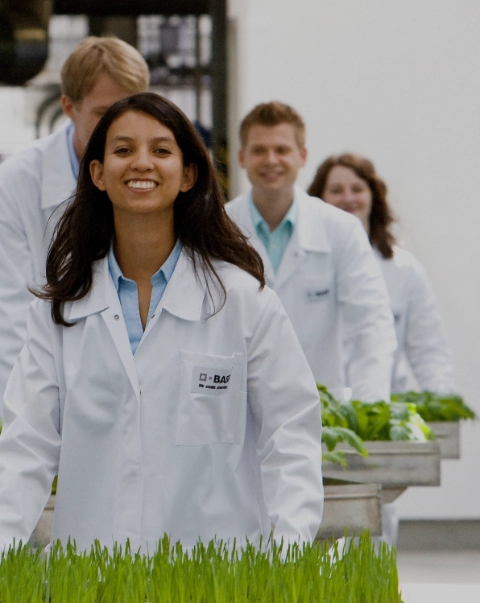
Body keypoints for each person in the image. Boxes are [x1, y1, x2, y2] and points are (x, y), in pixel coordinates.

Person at [0, 93, 324, 552]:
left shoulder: (243, 302)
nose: (142, 164)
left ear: (188, 174)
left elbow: (291, 435)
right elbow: (25, 447)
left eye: (162, 150)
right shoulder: (61, 312)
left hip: (217, 580)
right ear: (97, 173)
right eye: (123, 150)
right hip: (95, 579)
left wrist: (289, 550)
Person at [0, 36, 150, 416]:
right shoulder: (17, 183)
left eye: (131, 109)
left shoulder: (157, 176)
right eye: (104, 113)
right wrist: (33, 422)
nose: (120, 127)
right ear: (68, 107)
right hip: (50, 396)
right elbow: (12, 317)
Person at [226, 102, 397, 402]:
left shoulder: (340, 229)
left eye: (282, 150)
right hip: (238, 409)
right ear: (242, 157)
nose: (271, 160)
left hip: (320, 413)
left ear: (302, 156)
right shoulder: (219, 228)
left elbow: (370, 325)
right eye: (259, 150)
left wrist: (368, 407)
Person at [308, 153, 455, 394]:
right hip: (320, 408)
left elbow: (429, 351)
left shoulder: (405, 270)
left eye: (357, 189)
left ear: (373, 197)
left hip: (380, 409)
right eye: (336, 190)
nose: (348, 198)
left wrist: (443, 413)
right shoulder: (304, 262)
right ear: (319, 199)